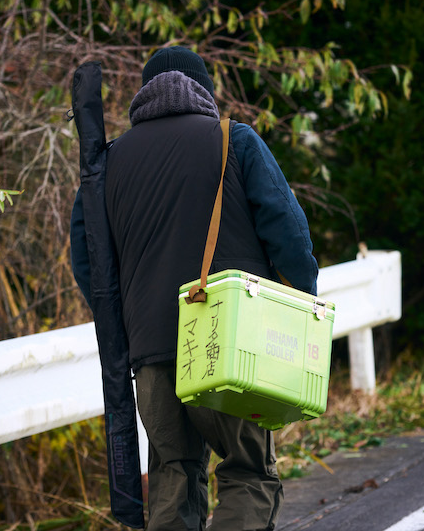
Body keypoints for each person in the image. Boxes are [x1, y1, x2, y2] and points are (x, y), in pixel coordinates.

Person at [70, 46, 318, 531]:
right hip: (226, 346)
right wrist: (300, 302)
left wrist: (132, 323)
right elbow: (289, 234)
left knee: (172, 476)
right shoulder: (232, 140)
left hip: (150, 355)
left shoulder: (106, 165)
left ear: (143, 95)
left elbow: (89, 264)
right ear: (203, 90)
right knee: (248, 472)